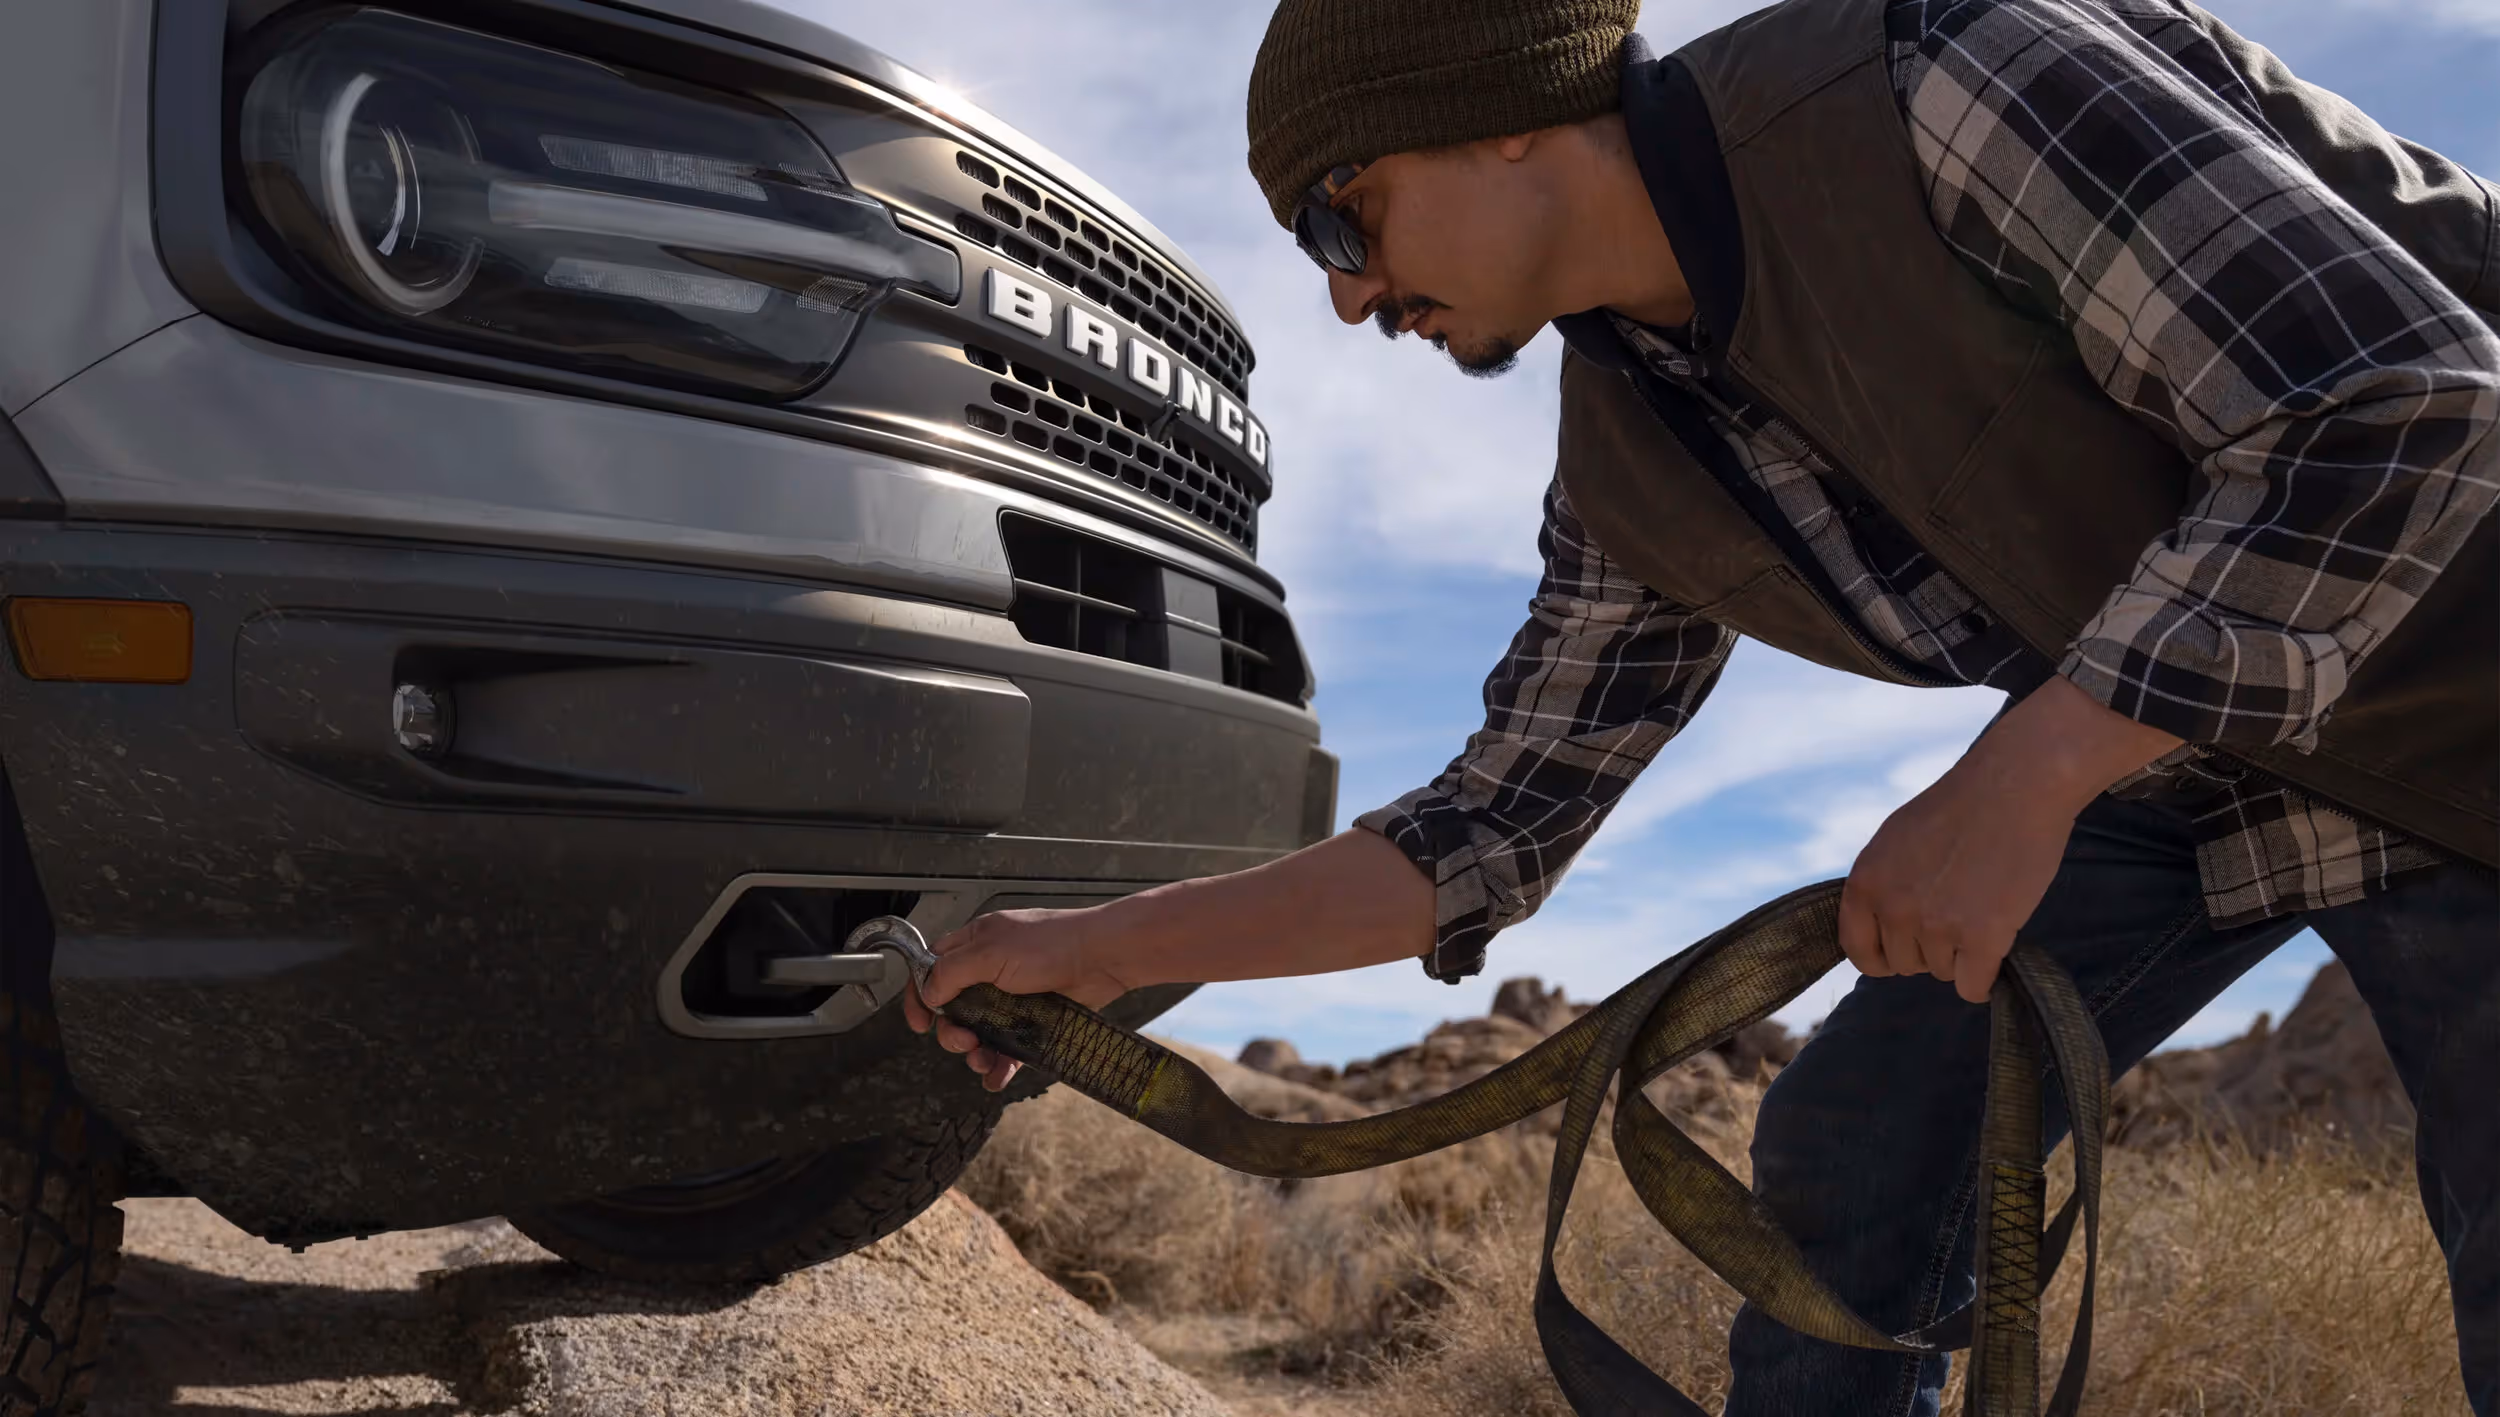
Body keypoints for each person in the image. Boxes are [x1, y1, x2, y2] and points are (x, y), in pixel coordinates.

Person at [904, 0, 2500, 1409]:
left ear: (1502, 106)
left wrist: (2028, 776)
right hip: (2209, 767)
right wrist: (1091, 952)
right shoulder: (1630, 470)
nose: (1348, 299)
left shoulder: (1937, 73)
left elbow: (2402, 405)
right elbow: (1488, 826)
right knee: (1856, 1154)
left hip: (2465, 687)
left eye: (1345, 220)